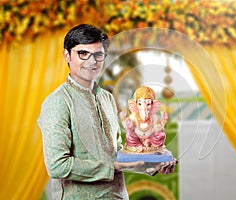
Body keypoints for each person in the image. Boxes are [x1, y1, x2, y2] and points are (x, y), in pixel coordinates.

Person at [38, 24, 177, 199]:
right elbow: (57, 165)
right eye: (83, 54)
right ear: (67, 55)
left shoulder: (107, 98)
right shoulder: (58, 102)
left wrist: (152, 166)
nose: (92, 61)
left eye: (98, 55)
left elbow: (119, 154)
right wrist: (111, 167)